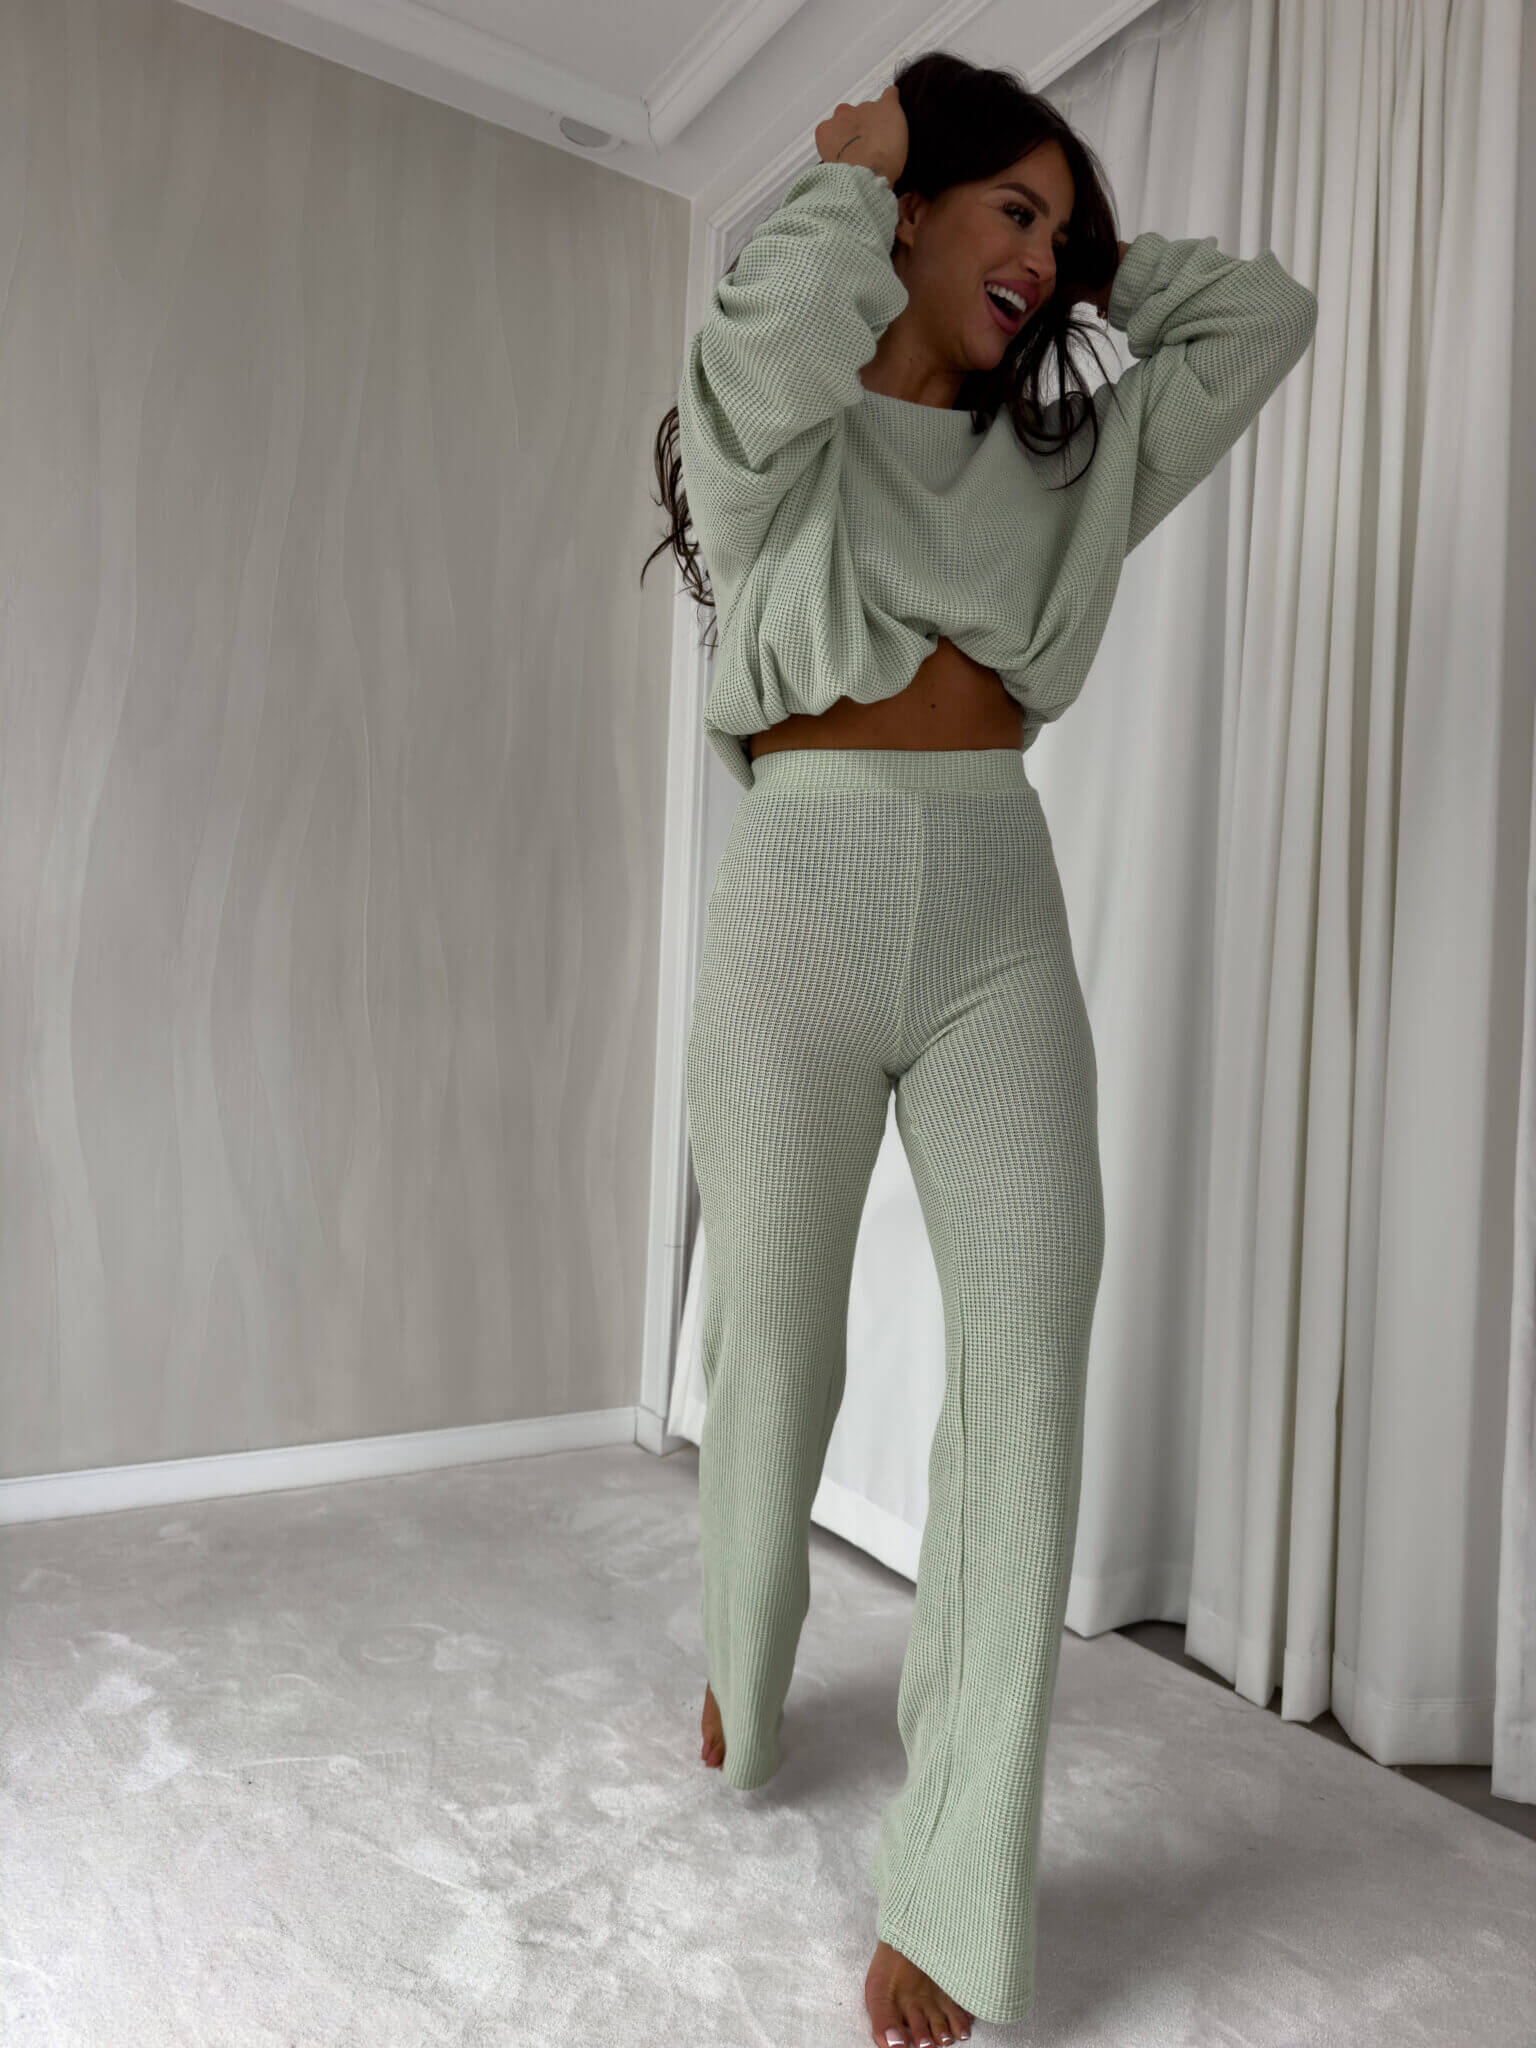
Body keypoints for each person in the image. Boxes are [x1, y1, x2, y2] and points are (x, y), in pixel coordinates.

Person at [642, 47, 1318, 2048]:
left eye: (1061, 227)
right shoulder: (779, 435)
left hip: (995, 912)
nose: (1038, 253)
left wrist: (1086, 269)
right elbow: (766, 339)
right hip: (801, 893)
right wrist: (853, 170)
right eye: (1006, 210)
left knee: (1030, 1350)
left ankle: (952, 1880)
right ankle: (748, 1653)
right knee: (778, 1337)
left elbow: (1262, 317)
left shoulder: (1070, 459)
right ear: (911, 212)